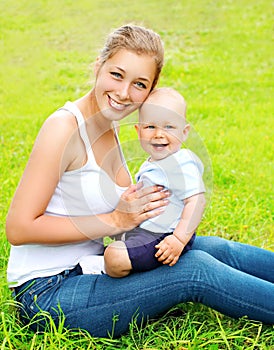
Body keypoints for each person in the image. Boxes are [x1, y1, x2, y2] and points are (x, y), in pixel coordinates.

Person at [5, 24, 274, 339]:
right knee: (194, 270)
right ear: (98, 67)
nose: (123, 93)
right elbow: (18, 229)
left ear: (151, 91)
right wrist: (115, 219)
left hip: (92, 267)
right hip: (49, 292)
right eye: (116, 75)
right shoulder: (64, 129)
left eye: (139, 84)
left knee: (207, 247)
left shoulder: (114, 126)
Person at [104, 87, 206, 277]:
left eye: (169, 127)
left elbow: (197, 201)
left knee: (114, 257)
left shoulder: (181, 163)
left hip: (165, 236)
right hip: (146, 230)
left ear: (184, 133)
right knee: (112, 246)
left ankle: (131, 282)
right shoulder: (152, 162)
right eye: (150, 127)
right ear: (138, 130)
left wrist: (178, 239)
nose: (159, 134)